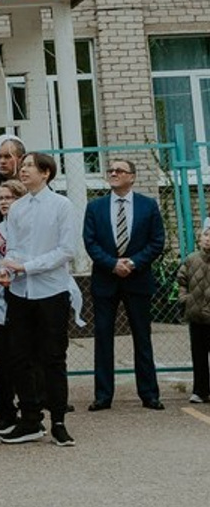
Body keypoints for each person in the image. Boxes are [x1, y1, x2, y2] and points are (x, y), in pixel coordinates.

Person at [0, 152, 80, 447]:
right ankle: (30, 418)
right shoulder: (17, 208)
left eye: (31, 165)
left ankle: (58, 420)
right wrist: (6, 268)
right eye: (24, 165)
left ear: (46, 173)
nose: (24, 169)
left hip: (51, 292)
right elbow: (14, 247)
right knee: (19, 356)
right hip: (21, 293)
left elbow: (66, 250)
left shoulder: (62, 206)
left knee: (53, 357)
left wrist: (27, 267)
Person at [83, 155, 166, 411]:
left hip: (137, 279)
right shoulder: (95, 207)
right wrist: (112, 263)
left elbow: (157, 241)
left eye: (120, 170)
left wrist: (132, 263)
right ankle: (103, 395)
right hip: (105, 280)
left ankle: (149, 394)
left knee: (142, 337)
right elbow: (90, 242)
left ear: (132, 177)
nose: (114, 173)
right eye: (111, 170)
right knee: (103, 337)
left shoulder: (147, 205)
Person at [0, 177, 28, 433]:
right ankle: (6, 411)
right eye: (0, 198)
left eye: (8, 197)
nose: (3, 202)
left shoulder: (29, 230)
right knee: (2, 361)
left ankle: (28, 410)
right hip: (1, 303)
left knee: (25, 360)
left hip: (26, 299)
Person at [176, 220, 210, 404]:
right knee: (199, 354)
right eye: (206, 234)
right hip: (196, 315)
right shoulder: (191, 259)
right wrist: (185, 298)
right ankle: (201, 390)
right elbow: (181, 280)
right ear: (200, 238)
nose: (208, 239)